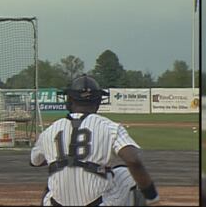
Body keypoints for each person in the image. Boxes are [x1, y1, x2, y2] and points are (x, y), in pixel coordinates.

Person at [30, 74, 160, 206]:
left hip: (56, 204)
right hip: (99, 203)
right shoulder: (110, 127)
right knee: (126, 173)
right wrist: (152, 196)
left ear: (69, 100)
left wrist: (60, 158)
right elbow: (133, 159)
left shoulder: (50, 130)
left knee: (52, 180)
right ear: (98, 102)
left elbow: (35, 161)